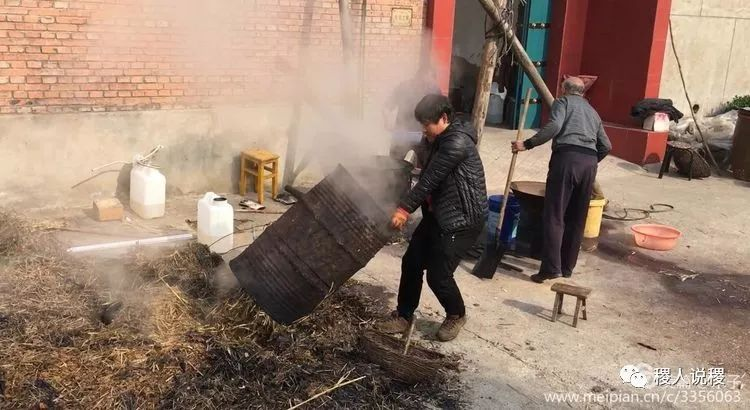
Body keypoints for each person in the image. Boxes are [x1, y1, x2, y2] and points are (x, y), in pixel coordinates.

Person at [378, 94, 488, 342]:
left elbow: (430, 180)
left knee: (438, 275)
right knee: (412, 262)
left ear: (444, 118)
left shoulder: (456, 143)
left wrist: (403, 209)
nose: (423, 129)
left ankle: (456, 314)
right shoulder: (437, 138)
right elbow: (420, 154)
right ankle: (404, 315)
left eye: (426, 123)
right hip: (438, 215)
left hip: (461, 220)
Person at [511, 77, 612, 283]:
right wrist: (590, 161)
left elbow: (554, 127)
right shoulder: (593, 112)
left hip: (566, 160)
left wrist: (527, 144)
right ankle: (566, 267)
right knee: (577, 217)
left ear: (564, 90)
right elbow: (606, 145)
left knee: (555, 215)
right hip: (589, 164)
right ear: (582, 93)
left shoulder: (562, 103)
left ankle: (550, 268)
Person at [383, 65, 442, 162]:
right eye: (423, 81)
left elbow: (440, 114)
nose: (426, 85)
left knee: (426, 166)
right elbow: (387, 106)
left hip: (424, 135)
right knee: (394, 165)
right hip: (402, 133)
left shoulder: (434, 90)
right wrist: (387, 120)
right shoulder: (404, 87)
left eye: (429, 82)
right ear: (417, 77)